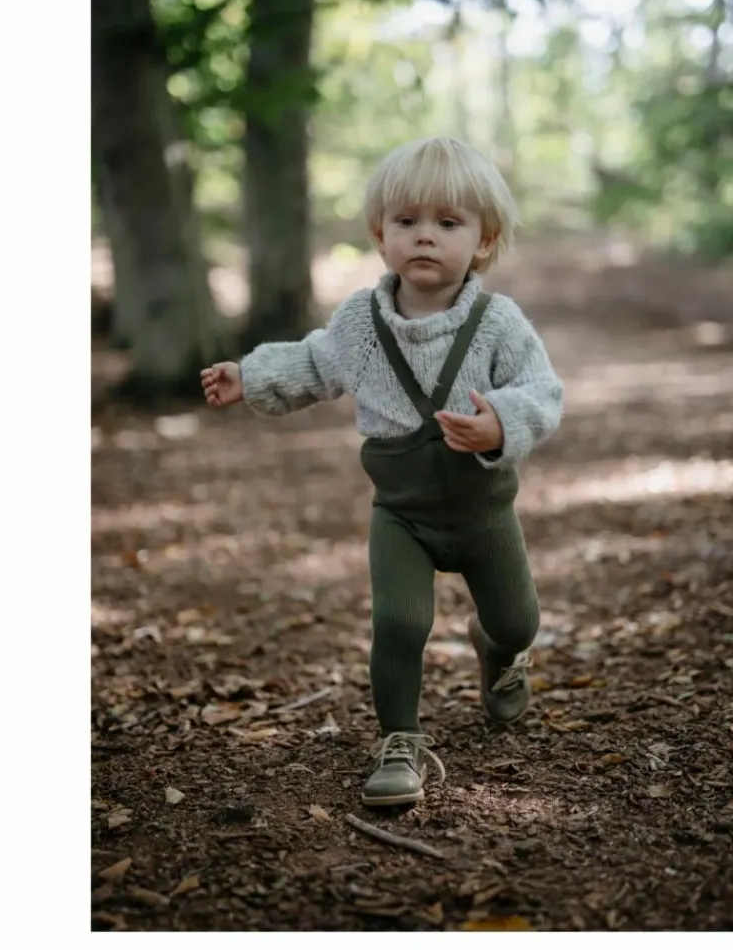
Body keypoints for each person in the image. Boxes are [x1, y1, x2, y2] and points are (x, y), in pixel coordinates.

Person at [201, 136, 564, 807]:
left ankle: (497, 651)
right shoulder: (361, 324)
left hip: (482, 510)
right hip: (402, 514)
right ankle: (400, 739)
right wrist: (249, 376)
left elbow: (543, 391)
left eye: (448, 222)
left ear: (484, 241)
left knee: (518, 621)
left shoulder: (498, 323)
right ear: (380, 235)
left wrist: (501, 423)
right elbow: (314, 363)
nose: (425, 236)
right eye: (407, 221)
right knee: (399, 623)